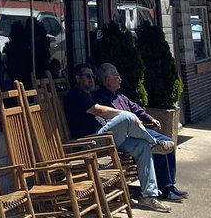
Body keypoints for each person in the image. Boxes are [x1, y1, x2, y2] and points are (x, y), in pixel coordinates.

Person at [64, 63, 171, 213]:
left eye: (92, 77)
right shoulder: (75, 95)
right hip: (92, 142)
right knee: (126, 116)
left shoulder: (87, 95)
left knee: (141, 146)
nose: (91, 80)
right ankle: (153, 143)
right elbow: (99, 110)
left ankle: (148, 196)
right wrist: (125, 115)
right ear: (77, 78)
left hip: (105, 138)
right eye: (87, 76)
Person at [94, 63, 187, 203]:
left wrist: (150, 118)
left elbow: (135, 107)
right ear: (107, 80)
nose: (120, 79)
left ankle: (170, 184)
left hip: (141, 131)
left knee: (169, 143)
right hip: (127, 135)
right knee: (157, 147)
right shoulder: (101, 98)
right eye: (117, 76)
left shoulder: (119, 95)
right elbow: (114, 122)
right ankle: (166, 188)